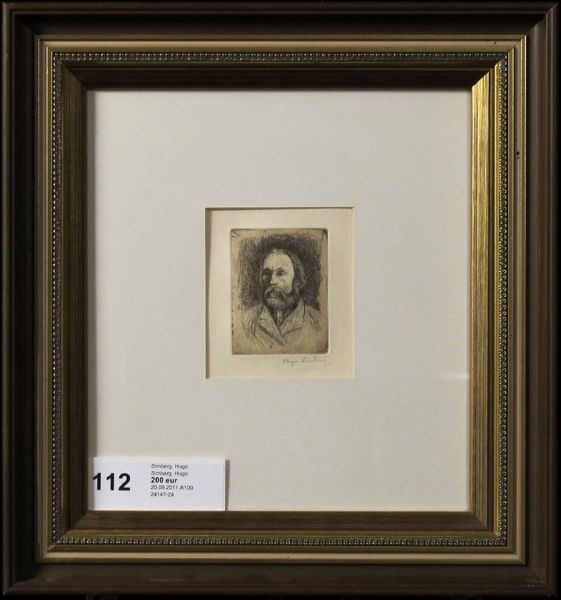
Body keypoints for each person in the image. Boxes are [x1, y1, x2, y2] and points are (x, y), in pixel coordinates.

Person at [242, 248, 323, 351]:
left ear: (297, 281)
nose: (272, 281)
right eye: (266, 273)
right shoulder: (248, 321)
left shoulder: (316, 322)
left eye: (280, 273)